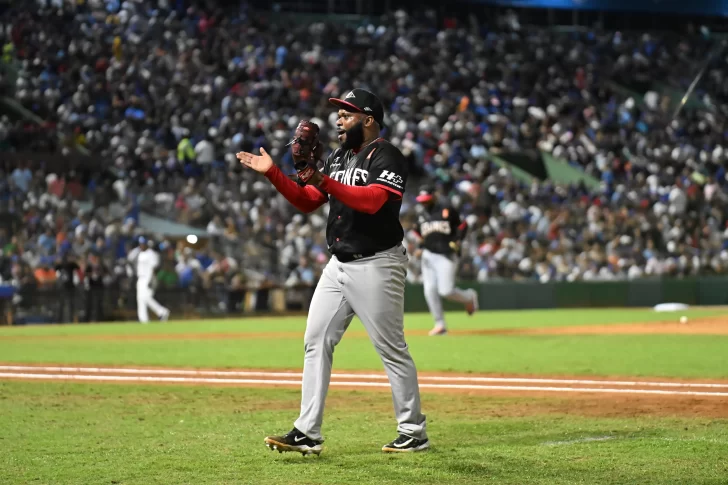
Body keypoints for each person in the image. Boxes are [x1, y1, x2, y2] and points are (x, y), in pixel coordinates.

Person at [236, 88, 429, 455]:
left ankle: (413, 431)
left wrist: (323, 181)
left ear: (369, 120)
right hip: (338, 265)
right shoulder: (340, 157)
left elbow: (374, 201)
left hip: (377, 264)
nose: (338, 120)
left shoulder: (386, 154)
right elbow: (308, 200)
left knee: (391, 348)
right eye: (338, 114)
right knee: (315, 341)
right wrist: (274, 173)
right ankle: (307, 432)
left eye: (347, 114)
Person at [412, 187, 479, 336]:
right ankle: (440, 324)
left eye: (427, 200)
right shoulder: (421, 214)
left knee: (446, 290)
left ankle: (469, 297)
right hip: (428, 255)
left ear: (434, 196)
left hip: (446, 254)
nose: (424, 203)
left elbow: (463, 225)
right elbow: (421, 234)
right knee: (429, 290)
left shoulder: (447, 210)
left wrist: (458, 240)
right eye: (422, 201)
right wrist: (420, 247)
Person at [129, 237, 169, 323]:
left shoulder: (151, 254)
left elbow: (154, 268)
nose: (141, 245)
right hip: (140, 278)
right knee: (140, 299)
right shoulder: (139, 253)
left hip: (148, 278)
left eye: (143, 243)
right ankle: (143, 320)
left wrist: (152, 280)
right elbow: (130, 259)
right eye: (140, 243)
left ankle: (162, 311)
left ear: (147, 244)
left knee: (146, 297)